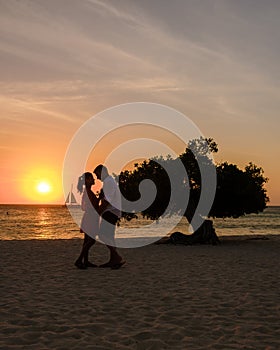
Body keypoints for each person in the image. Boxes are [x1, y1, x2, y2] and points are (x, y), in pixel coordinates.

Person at [93, 165, 125, 269]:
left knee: (103, 235)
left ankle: (116, 257)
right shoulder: (109, 182)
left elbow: (107, 201)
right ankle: (113, 260)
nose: (97, 178)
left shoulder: (108, 182)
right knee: (110, 237)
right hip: (112, 212)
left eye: (97, 174)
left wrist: (97, 213)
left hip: (110, 212)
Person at [75, 172, 100, 269]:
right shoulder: (88, 192)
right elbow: (94, 205)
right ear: (87, 180)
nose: (94, 180)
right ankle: (79, 260)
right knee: (92, 240)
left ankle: (85, 261)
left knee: (86, 241)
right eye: (92, 178)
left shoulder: (87, 191)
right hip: (91, 217)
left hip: (88, 217)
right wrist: (100, 197)